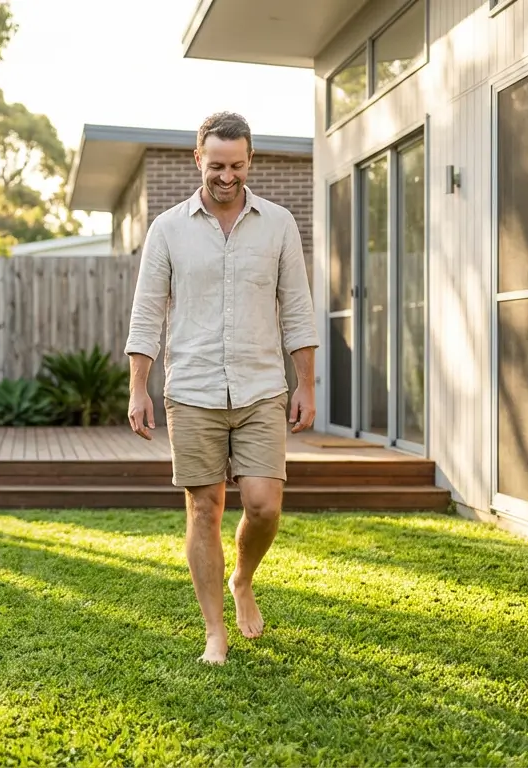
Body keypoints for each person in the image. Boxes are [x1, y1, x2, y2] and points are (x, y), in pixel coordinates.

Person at [125, 112, 318, 665]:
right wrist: (139, 387)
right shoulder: (167, 228)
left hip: (261, 387)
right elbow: (146, 313)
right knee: (204, 508)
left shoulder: (279, 224)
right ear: (198, 161)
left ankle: (243, 579)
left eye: (236, 165)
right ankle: (215, 631)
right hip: (191, 389)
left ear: (250, 161)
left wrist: (305, 384)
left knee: (263, 506)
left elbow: (298, 311)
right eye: (216, 166)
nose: (226, 176)